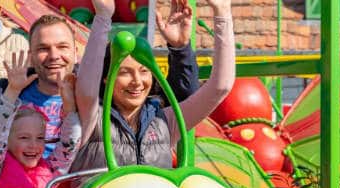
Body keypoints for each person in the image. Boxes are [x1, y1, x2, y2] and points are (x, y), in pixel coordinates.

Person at [0, 11, 198, 157]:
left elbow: (179, 104)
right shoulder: (5, 91)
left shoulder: (102, 90)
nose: (53, 56)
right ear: (30, 54)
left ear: (76, 51)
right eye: (43, 49)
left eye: (62, 47)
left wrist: (180, 50)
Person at [68, 0, 234, 172]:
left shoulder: (165, 121)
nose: (137, 81)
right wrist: (103, 16)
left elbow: (220, 87)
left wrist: (222, 12)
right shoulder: (92, 118)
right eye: (125, 72)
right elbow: (87, 89)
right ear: (106, 78)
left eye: (144, 71)